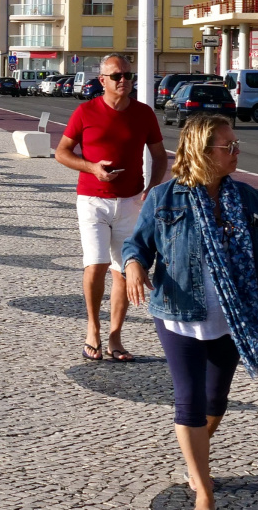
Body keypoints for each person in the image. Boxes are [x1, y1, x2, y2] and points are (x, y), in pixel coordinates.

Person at [124, 116, 258, 510]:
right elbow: (137, 245)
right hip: (178, 311)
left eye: (235, 143)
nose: (236, 151)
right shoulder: (164, 198)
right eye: (228, 146)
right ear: (201, 151)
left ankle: (194, 456)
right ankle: (204, 489)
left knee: (216, 400)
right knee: (189, 398)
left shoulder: (248, 198)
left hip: (232, 315)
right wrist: (134, 266)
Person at [57, 53, 167, 363]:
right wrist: (92, 168)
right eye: (117, 76)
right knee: (97, 264)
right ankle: (93, 329)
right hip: (93, 199)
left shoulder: (144, 114)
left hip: (131, 201)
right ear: (102, 81)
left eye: (128, 76)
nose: (124, 81)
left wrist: (152, 188)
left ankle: (115, 337)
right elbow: (62, 153)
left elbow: (159, 156)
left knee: (124, 270)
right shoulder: (85, 111)